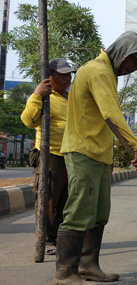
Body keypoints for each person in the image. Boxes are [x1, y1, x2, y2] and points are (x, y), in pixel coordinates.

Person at [53, 31, 137, 285]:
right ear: (121, 53)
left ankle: (88, 265)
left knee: (98, 213)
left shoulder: (108, 74)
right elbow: (112, 115)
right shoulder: (98, 71)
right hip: (83, 150)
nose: (132, 69)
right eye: (132, 63)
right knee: (78, 212)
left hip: (99, 154)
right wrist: (136, 148)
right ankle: (64, 274)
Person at [21, 58, 75, 256]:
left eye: (69, 74)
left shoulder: (70, 97)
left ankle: (60, 237)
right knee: (49, 198)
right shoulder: (44, 96)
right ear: (50, 76)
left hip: (71, 154)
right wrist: (36, 95)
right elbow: (28, 120)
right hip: (51, 154)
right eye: (62, 74)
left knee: (65, 200)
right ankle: (46, 239)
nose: (68, 78)